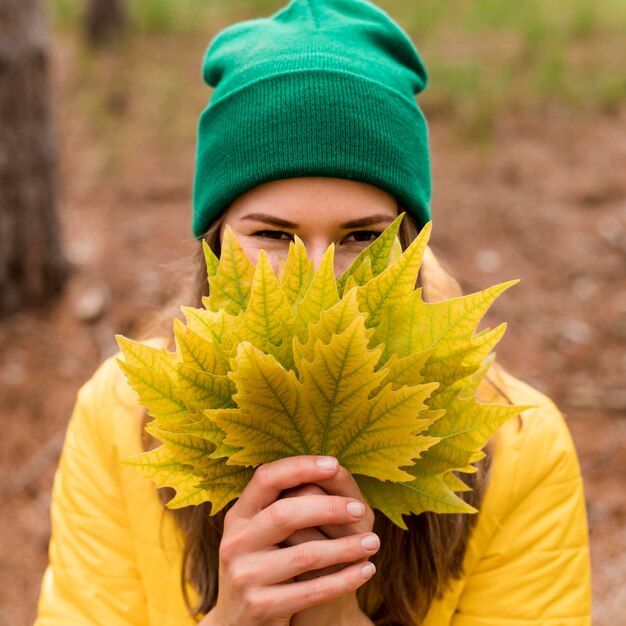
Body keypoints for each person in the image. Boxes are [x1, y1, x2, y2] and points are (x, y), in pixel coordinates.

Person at [35, 1, 591, 624]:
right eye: (274, 236)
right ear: (214, 244)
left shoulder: (518, 444)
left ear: (409, 245)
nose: (318, 279)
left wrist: (334, 613)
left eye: (361, 238)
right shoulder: (119, 413)